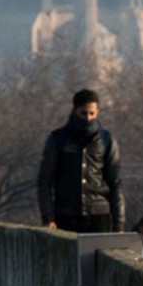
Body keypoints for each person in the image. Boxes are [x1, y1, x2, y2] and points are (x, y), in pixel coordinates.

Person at [36, 89, 124, 232]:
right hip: (66, 215)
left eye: (92, 113)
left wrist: (119, 222)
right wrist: (47, 217)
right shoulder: (58, 139)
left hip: (99, 215)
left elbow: (115, 183)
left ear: (97, 112)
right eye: (83, 113)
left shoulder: (107, 140)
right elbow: (44, 180)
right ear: (75, 110)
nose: (88, 118)